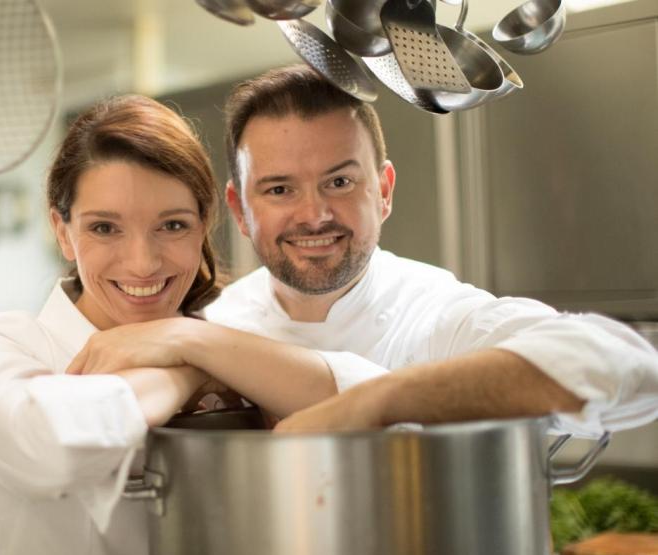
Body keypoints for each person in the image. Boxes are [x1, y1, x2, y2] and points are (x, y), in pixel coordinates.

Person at [69, 65, 658, 438]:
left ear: (384, 191)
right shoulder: (210, 324)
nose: (314, 214)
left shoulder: (440, 315)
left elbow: (630, 368)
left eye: (340, 181)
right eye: (279, 189)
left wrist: (379, 400)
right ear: (241, 211)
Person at [0, 94, 372, 555]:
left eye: (172, 225)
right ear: (62, 231)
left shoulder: (227, 341)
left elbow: (378, 404)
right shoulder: (6, 346)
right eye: (104, 228)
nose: (143, 262)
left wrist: (189, 340)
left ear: (204, 224)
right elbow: (53, 449)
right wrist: (183, 370)